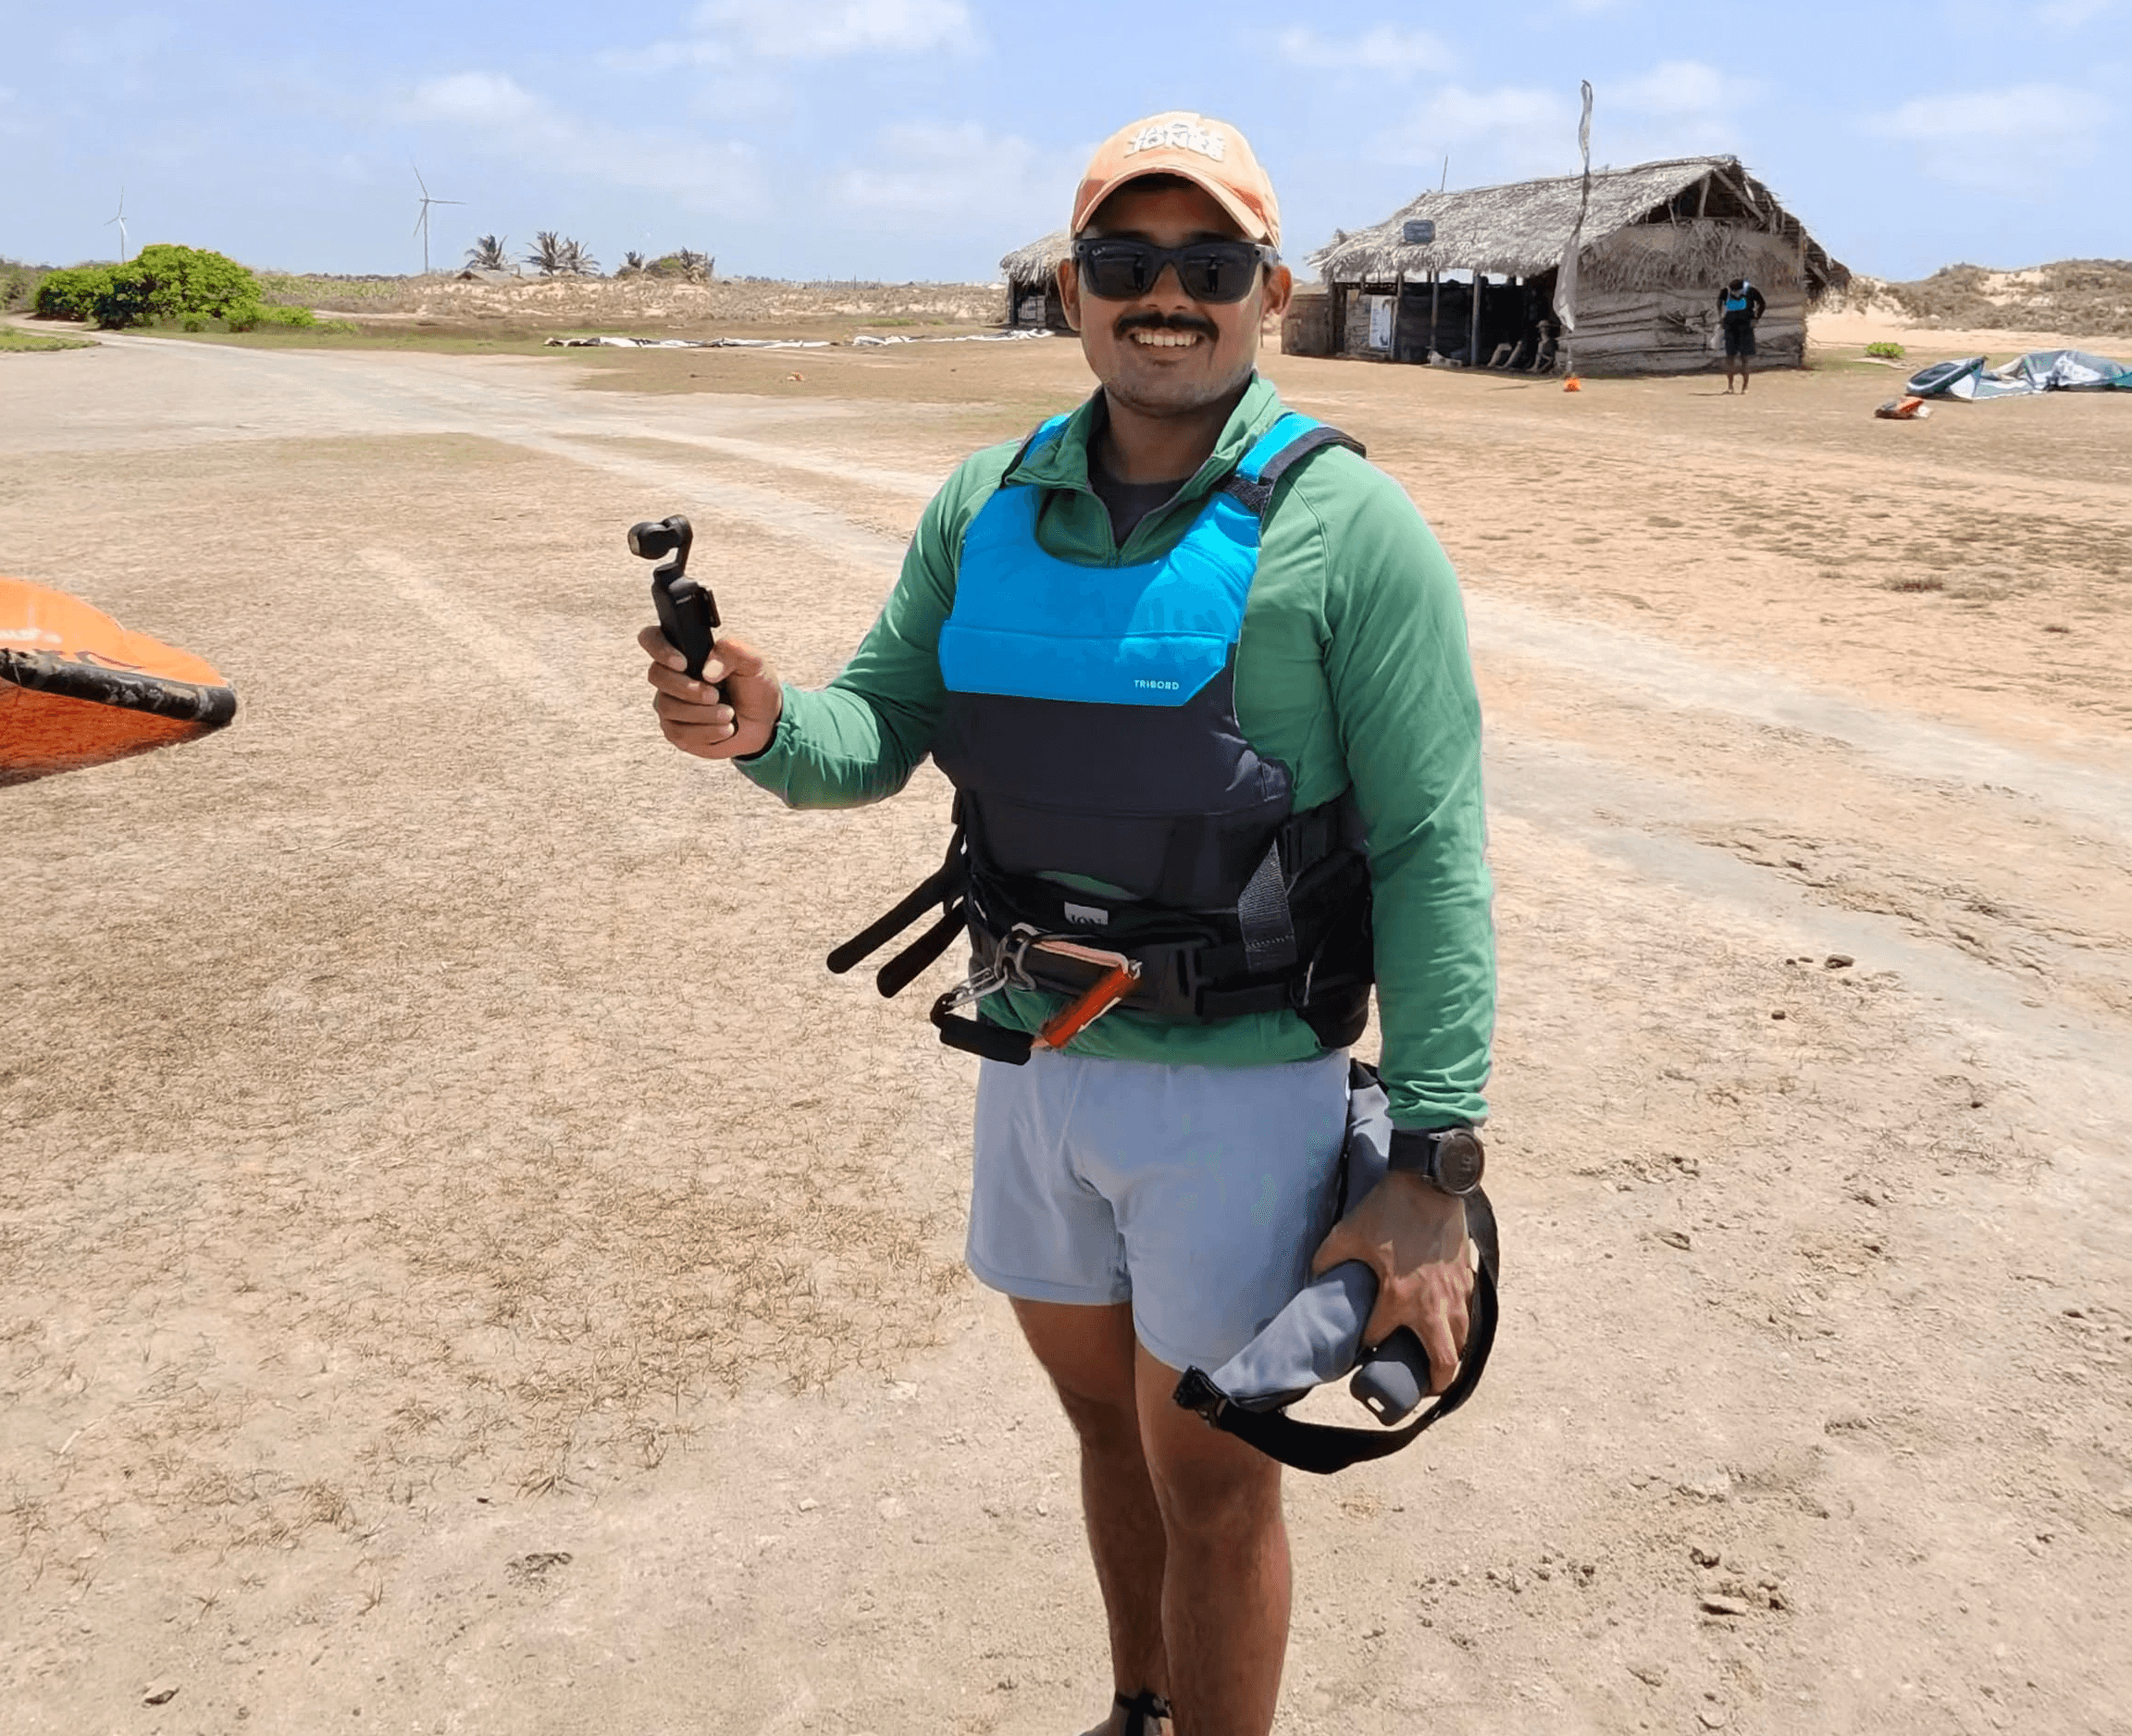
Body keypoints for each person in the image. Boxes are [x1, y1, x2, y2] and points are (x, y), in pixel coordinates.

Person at [640, 110, 1496, 1736]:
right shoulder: (987, 500)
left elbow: (1433, 849)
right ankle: (1137, 1706)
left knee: (1217, 1482)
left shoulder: (1348, 528)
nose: (1162, 296)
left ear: (1272, 291)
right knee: (1105, 1434)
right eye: (1125, 262)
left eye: (1205, 265)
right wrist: (756, 725)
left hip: (1242, 1088)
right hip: (1031, 1060)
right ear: (1072, 286)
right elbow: (868, 736)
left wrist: (1431, 1171)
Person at [1716, 274, 1766, 393]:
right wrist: (1721, 317)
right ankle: (1730, 386)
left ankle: (1745, 387)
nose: (1736, 294)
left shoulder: (1751, 291)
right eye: (1733, 292)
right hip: (1730, 328)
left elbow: (1762, 303)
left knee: (1745, 358)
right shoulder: (1726, 292)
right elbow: (1719, 302)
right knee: (1730, 358)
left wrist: (1756, 318)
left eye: (1737, 291)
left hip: (1746, 328)